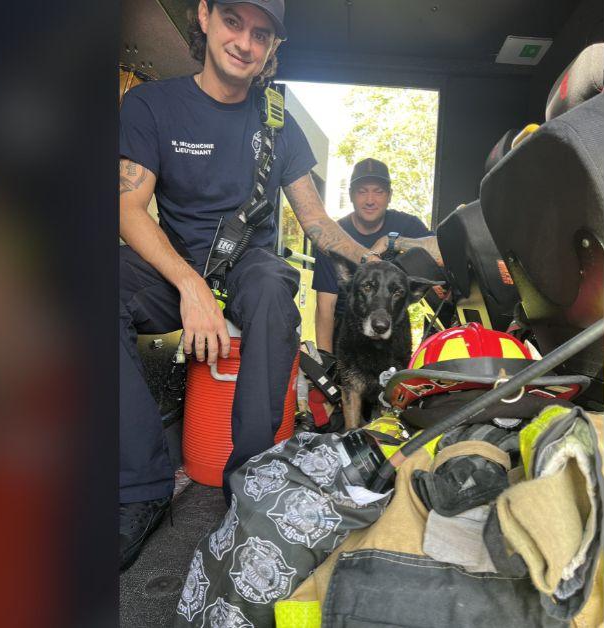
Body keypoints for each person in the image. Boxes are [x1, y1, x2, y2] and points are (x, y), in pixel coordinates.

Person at [117, 0, 377, 570]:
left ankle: (252, 479)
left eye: (261, 34)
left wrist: (381, 261)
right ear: (205, 16)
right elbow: (128, 207)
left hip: (247, 268)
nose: (245, 42)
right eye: (234, 21)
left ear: (272, 49)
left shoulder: (277, 120)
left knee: (272, 292)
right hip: (176, 264)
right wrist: (190, 286)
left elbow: (315, 221)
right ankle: (140, 487)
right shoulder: (151, 103)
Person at [312, 158, 440, 352]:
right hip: (348, 334)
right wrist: (325, 363)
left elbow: (443, 250)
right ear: (351, 195)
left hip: (394, 334)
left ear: (389, 196)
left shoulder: (408, 225)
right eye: (362, 191)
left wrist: (393, 241)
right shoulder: (334, 237)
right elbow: (325, 306)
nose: (370, 200)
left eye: (378, 191)